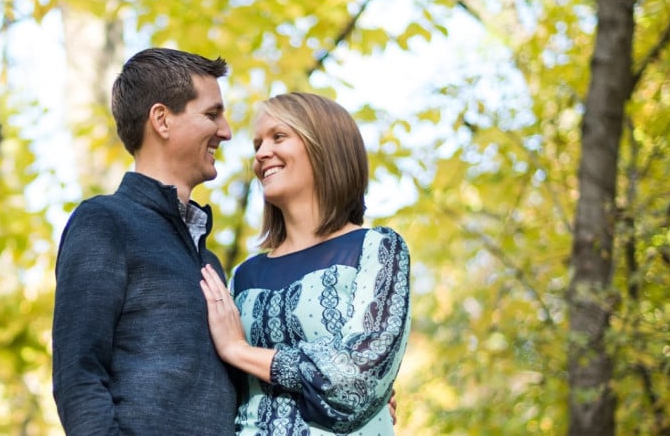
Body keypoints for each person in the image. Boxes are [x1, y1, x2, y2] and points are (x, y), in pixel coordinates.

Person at [52, 47, 238, 436]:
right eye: (211, 114)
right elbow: (78, 376)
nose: (226, 131)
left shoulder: (210, 263)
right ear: (162, 120)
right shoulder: (104, 223)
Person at [201, 92, 411, 435]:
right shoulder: (243, 276)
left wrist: (238, 350)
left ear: (324, 147)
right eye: (257, 143)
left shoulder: (377, 248)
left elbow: (354, 383)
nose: (261, 153)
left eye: (278, 137)